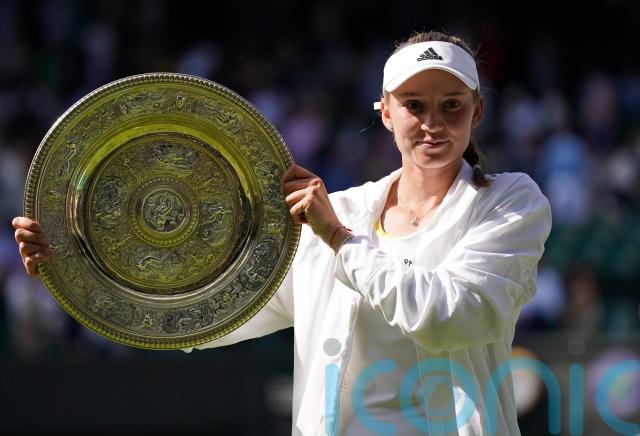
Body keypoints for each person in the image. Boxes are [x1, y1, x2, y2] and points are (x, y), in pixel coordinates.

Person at [13, 31, 551, 435]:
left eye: (451, 104)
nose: (432, 122)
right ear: (386, 114)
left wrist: (339, 240)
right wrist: (75, 265)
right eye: (414, 105)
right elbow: (208, 315)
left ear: (477, 112)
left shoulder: (509, 202)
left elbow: (449, 318)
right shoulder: (341, 211)